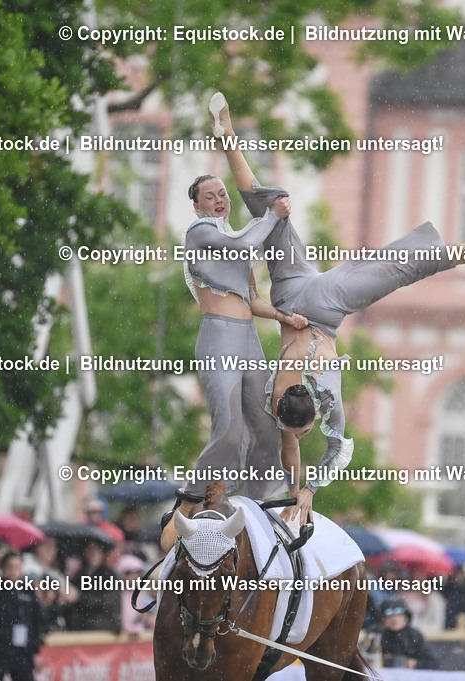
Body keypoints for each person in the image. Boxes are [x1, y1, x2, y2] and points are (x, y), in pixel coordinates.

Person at [207, 93, 465, 523]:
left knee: (398, 270)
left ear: (308, 418)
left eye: (304, 431)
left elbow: (336, 447)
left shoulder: (326, 390)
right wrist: (297, 491)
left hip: (325, 306)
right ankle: (228, 138)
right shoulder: (283, 398)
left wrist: (305, 489)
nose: (302, 436)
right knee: (270, 212)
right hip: (292, 294)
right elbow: (295, 443)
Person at [159, 95, 306, 549]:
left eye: (223, 193)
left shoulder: (230, 234)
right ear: (199, 206)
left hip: (246, 336)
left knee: (266, 423)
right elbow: (246, 246)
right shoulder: (201, 234)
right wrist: (272, 215)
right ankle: (198, 493)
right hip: (219, 336)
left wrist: (285, 316)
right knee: (228, 425)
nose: (221, 200)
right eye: (212, 196)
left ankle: (258, 503)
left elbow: (252, 299)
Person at [0, 551, 43, 681]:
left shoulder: (28, 591)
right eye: (10, 567)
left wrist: (35, 651)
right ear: (2, 568)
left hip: (22, 651)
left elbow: (37, 621)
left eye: (17, 567)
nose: (13, 571)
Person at [69, 539, 120, 633]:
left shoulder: (110, 574)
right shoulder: (79, 575)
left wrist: (80, 597)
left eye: (97, 550)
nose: (93, 554)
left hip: (106, 627)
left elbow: (106, 602)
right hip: (82, 627)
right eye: (90, 550)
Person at [379, 597, 438, 670]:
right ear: (383, 618)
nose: (394, 618)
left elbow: (433, 663)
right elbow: (366, 661)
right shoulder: (376, 635)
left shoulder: (414, 636)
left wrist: (412, 663)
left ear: (406, 616)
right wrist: (382, 660)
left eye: (399, 613)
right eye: (389, 614)